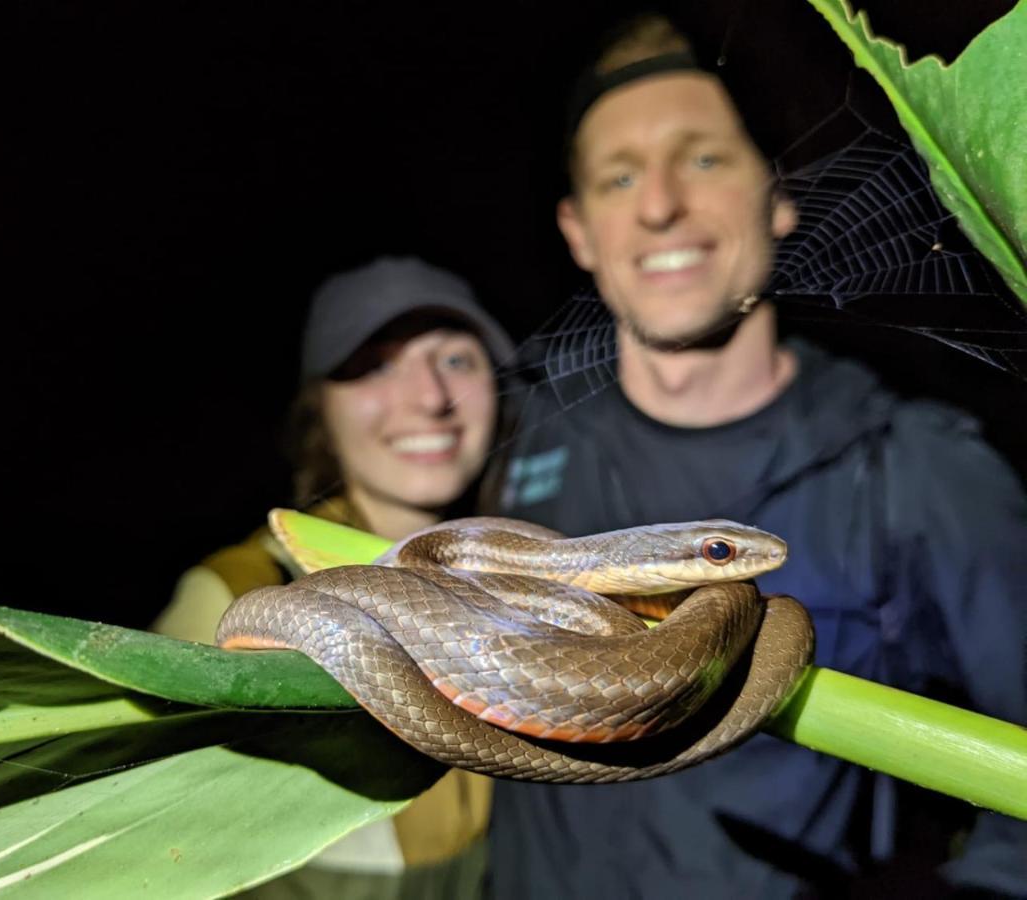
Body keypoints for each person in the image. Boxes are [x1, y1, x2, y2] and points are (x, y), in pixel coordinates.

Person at [488, 13, 1027, 899]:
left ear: (778, 195)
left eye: (701, 158)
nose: (660, 204)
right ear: (578, 231)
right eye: (619, 177)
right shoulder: (527, 441)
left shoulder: (914, 466)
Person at [153, 255, 516, 900]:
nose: (431, 398)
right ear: (318, 408)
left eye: (456, 359)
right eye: (374, 365)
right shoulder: (235, 593)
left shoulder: (506, 582)